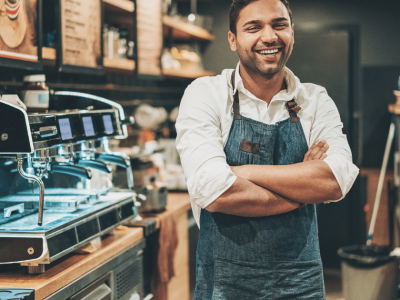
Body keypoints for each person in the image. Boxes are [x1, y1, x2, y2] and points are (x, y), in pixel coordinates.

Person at [175, 0, 359, 298]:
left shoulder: (314, 99)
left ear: (292, 32)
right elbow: (215, 190)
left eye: (279, 24)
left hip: (301, 280)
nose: (269, 36)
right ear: (233, 39)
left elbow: (335, 180)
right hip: (225, 282)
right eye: (253, 27)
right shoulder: (206, 94)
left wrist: (242, 172)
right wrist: (300, 194)